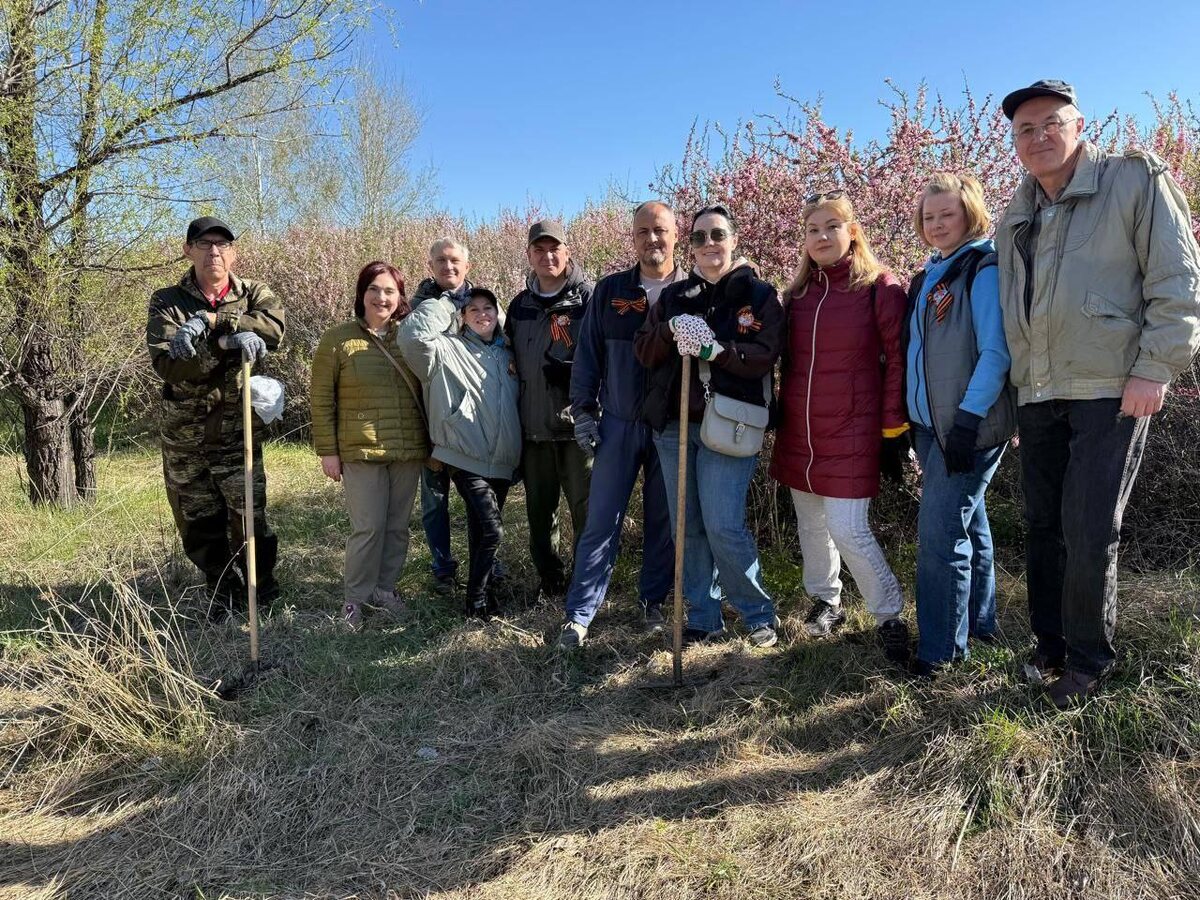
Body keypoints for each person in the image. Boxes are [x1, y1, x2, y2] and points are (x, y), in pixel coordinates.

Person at [996, 79, 1200, 707]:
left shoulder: (1133, 182)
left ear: (1079, 125)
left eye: (1051, 123)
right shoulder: (1017, 212)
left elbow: (1177, 278)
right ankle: (1049, 644)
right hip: (1039, 392)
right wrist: (1015, 392)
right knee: (1040, 524)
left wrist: (1155, 367)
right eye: (1025, 130)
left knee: (1087, 525)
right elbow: (1013, 309)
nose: (1038, 137)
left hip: (1110, 388)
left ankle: (1087, 662)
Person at [767, 191, 911, 664]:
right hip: (800, 433)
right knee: (811, 525)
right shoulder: (797, 297)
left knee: (849, 530)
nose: (822, 236)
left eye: (832, 226)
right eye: (812, 229)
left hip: (852, 431)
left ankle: (890, 615)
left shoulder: (879, 288)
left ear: (853, 231)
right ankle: (826, 601)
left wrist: (894, 429)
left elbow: (898, 364)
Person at [634, 204, 783, 648]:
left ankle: (757, 614)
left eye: (717, 235)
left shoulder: (758, 295)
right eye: (698, 238)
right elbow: (644, 351)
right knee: (688, 525)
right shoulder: (674, 297)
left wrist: (715, 352)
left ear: (733, 239)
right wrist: (669, 331)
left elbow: (765, 354)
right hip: (675, 425)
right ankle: (703, 614)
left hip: (731, 424)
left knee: (722, 524)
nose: (708, 245)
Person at [556, 201, 685, 649]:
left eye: (660, 230)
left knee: (663, 521)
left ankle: (653, 603)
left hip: (671, 428)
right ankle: (579, 615)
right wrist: (584, 412)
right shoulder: (611, 291)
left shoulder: (692, 291)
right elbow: (587, 354)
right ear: (632, 238)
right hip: (618, 424)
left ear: (676, 233)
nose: (652, 238)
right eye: (643, 231)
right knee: (601, 519)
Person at [904, 174, 1016, 676]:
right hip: (931, 429)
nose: (937, 224)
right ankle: (979, 624)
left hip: (967, 424)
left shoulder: (982, 268)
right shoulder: (930, 273)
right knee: (969, 523)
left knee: (939, 537)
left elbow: (996, 351)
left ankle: (941, 655)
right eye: (929, 217)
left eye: (946, 214)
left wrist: (968, 421)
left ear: (969, 214)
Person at [146, 216, 285, 617]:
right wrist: (228, 342)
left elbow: (274, 328)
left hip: (236, 427)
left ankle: (262, 585)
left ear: (234, 251)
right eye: (204, 244)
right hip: (185, 432)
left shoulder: (254, 292)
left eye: (222, 245)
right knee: (198, 515)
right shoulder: (167, 300)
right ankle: (221, 587)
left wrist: (211, 322)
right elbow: (171, 364)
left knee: (249, 511)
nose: (214, 252)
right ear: (188, 250)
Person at [310, 261, 429, 627]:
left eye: (390, 291)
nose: (382, 297)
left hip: (406, 448)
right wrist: (328, 451)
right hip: (361, 449)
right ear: (361, 294)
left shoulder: (410, 336)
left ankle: (385, 589)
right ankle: (355, 599)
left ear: (400, 297)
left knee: (396, 527)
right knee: (369, 527)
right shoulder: (338, 339)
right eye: (374, 289)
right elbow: (321, 398)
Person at [399, 287, 521, 617]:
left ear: (499, 315)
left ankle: (484, 593)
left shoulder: (510, 353)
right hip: (464, 455)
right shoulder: (447, 348)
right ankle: (476, 600)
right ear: (463, 318)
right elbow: (411, 339)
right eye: (473, 309)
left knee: (482, 530)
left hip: (502, 459)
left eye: (489, 308)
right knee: (492, 528)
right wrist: (444, 303)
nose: (482, 314)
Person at [505, 220, 595, 599]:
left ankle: (586, 582)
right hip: (533, 428)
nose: (548, 256)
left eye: (554, 248)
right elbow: (505, 354)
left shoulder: (587, 299)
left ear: (567, 251)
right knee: (540, 515)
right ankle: (552, 580)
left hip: (577, 427)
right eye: (539, 250)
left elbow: (603, 356)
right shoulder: (518, 306)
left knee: (586, 512)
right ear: (529, 256)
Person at [410, 238, 476, 594]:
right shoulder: (417, 308)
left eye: (454, 261)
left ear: (467, 265)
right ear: (430, 266)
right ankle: (443, 570)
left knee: (478, 500)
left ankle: (487, 563)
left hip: (471, 423)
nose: (448, 267)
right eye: (440, 261)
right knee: (435, 504)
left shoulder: (482, 303)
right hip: (433, 420)